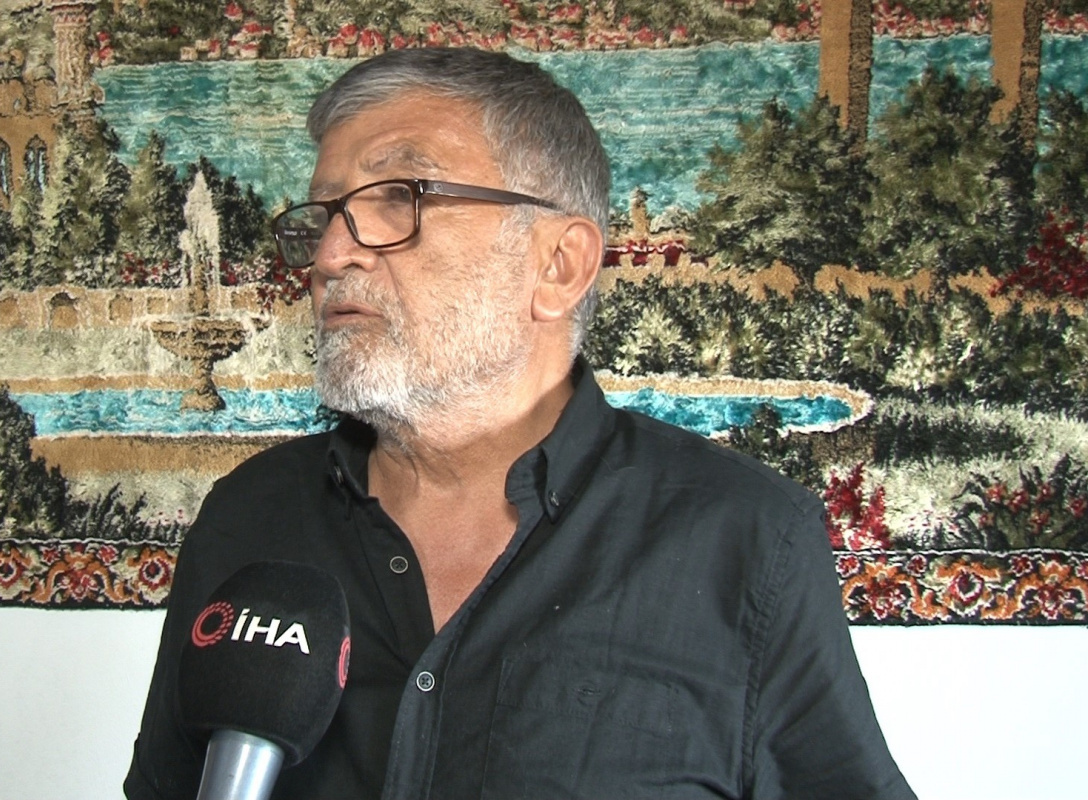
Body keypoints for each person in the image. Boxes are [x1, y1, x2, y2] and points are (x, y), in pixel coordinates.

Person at [125, 47, 914, 799]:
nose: (332, 254)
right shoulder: (249, 517)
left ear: (558, 266)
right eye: (326, 214)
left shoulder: (746, 539)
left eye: (399, 196)